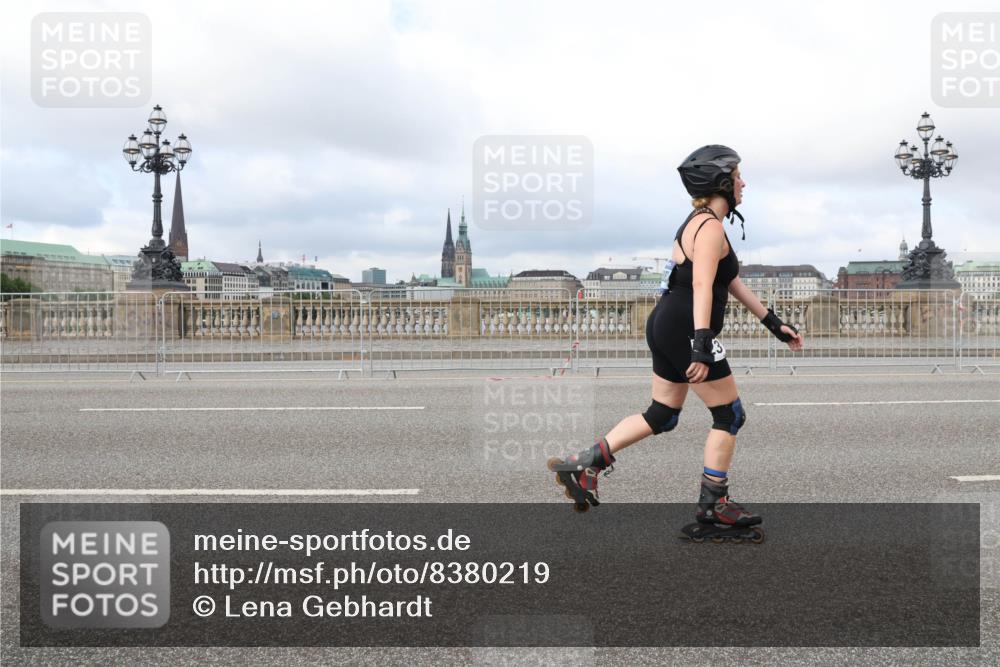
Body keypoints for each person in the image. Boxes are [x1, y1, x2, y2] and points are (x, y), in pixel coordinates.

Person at [547, 145, 804, 535]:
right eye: (737, 177)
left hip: (667, 323)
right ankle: (714, 507)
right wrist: (701, 343)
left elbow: (727, 280)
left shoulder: (698, 223)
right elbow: (702, 284)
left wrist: (772, 322)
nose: (743, 183)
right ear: (721, 183)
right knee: (729, 415)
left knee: (662, 414)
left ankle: (585, 464)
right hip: (684, 327)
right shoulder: (710, 227)